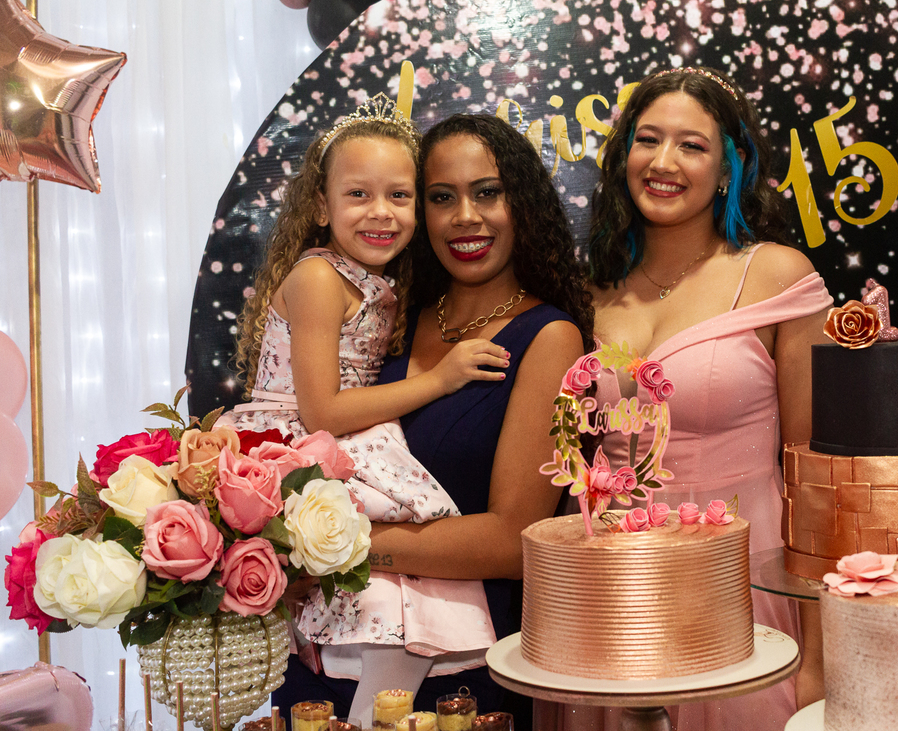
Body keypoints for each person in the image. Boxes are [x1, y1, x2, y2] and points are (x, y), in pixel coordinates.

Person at [222, 96, 510, 722]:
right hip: (306, 443)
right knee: (383, 583)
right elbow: (323, 409)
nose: (381, 212)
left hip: (349, 437)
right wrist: (440, 379)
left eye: (399, 196)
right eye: (358, 194)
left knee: (398, 590)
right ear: (320, 207)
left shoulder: (379, 284)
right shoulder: (318, 279)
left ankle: (373, 711)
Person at [582, 66, 833, 730]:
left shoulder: (776, 275)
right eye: (647, 139)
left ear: (727, 167)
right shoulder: (593, 289)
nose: (663, 162)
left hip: (741, 583)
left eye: (691, 145)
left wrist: (818, 654)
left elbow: (814, 475)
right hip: (616, 586)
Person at [353, 113, 590, 719]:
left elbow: (514, 541)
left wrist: (335, 548)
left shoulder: (550, 338)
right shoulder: (389, 319)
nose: (465, 216)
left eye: (487, 193)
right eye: (441, 197)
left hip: (464, 676)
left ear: (523, 205)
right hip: (329, 653)